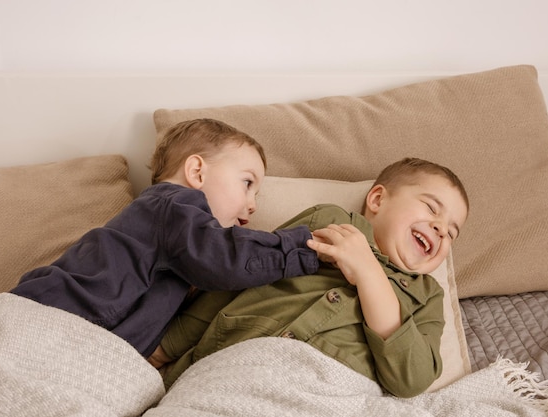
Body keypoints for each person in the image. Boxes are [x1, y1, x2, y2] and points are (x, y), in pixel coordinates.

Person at [148, 157, 469, 398]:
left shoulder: (428, 296)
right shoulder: (331, 221)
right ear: (377, 199)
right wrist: (167, 346)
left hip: (330, 392)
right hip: (239, 361)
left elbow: (411, 380)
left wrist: (369, 273)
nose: (441, 229)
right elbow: (245, 272)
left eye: (451, 233)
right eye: (431, 208)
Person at [10, 118, 319, 358]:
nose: (253, 204)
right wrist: (305, 248)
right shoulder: (174, 205)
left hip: (81, 341)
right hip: (44, 316)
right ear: (197, 172)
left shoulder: (175, 232)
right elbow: (225, 258)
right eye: (247, 183)